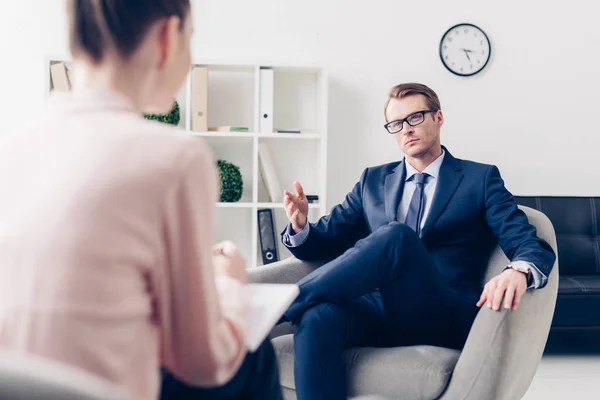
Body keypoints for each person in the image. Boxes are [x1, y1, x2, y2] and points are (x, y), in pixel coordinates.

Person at [0, 1, 282, 400]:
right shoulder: (176, 157)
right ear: (167, 37)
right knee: (254, 355)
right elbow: (204, 363)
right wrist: (227, 283)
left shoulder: (10, 151)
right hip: (102, 392)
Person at [280, 83, 556, 400]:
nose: (406, 130)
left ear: (438, 118)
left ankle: (281, 306)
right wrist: (301, 224)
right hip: (377, 312)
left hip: (438, 315)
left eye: (415, 118)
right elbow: (324, 241)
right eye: (396, 124)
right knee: (316, 316)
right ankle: (294, 306)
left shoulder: (480, 179)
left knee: (396, 236)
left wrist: (517, 271)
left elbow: (528, 242)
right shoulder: (372, 180)